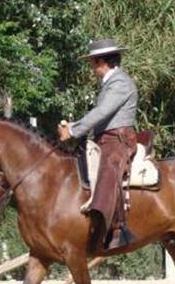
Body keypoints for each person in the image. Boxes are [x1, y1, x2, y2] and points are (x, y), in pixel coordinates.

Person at [58, 39, 138, 251]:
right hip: (104, 138)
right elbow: (99, 115)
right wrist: (73, 126)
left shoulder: (120, 82)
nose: (92, 68)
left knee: (108, 169)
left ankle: (116, 227)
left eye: (92, 63)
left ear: (101, 61)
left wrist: (74, 130)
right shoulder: (110, 83)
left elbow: (102, 112)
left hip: (118, 140)